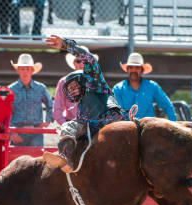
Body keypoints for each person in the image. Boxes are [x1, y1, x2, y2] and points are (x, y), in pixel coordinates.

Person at [42, 35, 125, 173]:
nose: (73, 90)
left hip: (111, 121)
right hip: (92, 126)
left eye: (75, 86)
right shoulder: (80, 105)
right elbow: (77, 120)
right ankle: (65, 156)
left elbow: (89, 59)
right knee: (69, 126)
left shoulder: (94, 81)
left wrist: (66, 45)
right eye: (70, 88)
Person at [112, 52, 176, 121]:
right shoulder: (117, 89)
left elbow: (167, 106)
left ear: (142, 70)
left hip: (149, 129)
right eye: (131, 67)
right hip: (126, 129)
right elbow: (116, 112)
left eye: (137, 68)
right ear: (127, 70)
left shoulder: (152, 86)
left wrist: (173, 126)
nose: (134, 70)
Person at [8, 53, 53, 146]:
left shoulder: (41, 88)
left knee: (37, 159)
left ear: (32, 71)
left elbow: (50, 105)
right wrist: (11, 132)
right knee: (16, 159)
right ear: (18, 70)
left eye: (28, 69)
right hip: (17, 132)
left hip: (36, 132)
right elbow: (6, 112)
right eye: (22, 69)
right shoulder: (11, 90)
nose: (25, 72)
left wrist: (48, 120)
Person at [53, 46, 96, 125]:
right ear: (74, 63)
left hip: (92, 125)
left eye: (85, 60)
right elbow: (57, 109)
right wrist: (65, 125)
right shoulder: (64, 82)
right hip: (71, 123)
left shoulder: (95, 82)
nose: (82, 63)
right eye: (78, 60)